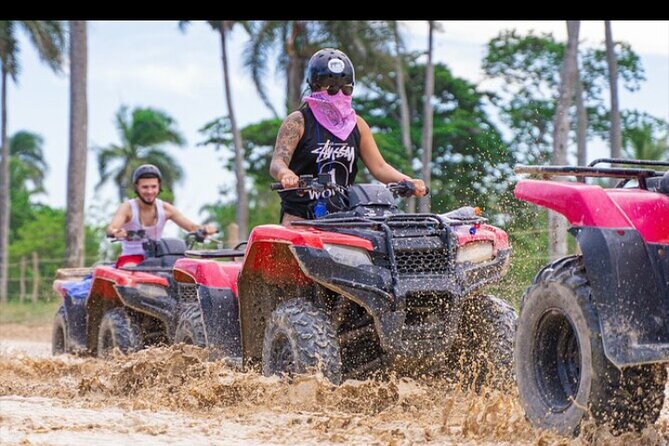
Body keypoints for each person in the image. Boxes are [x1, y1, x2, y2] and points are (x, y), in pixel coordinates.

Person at [269, 48, 427, 226]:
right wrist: (286, 174)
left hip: (345, 215)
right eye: (332, 89)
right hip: (300, 215)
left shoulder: (357, 124)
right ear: (315, 86)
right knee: (289, 242)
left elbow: (380, 167)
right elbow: (277, 163)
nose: (339, 95)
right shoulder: (298, 121)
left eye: (346, 89)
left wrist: (407, 180)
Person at [106, 164, 218, 267]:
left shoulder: (165, 209)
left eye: (153, 187)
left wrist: (206, 229)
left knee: (185, 272)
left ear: (159, 186)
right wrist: (118, 233)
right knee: (130, 272)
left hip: (159, 257)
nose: (150, 191)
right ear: (137, 187)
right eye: (145, 187)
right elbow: (112, 229)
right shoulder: (128, 208)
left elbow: (192, 228)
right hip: (132, 258)